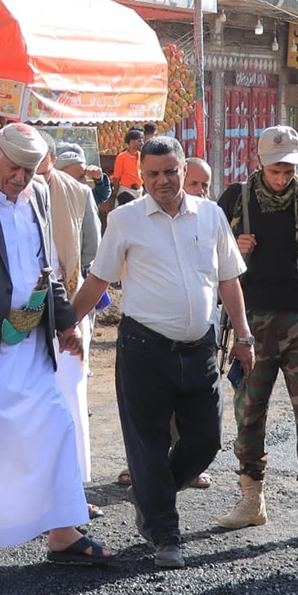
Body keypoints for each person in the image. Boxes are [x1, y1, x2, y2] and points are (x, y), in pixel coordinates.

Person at [73, 135, 254, 570]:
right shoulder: (124, 220)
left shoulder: (210, 215)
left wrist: (244, 336)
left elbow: (228, 278)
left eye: (170, 172)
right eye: (152, 173)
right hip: (144, 350)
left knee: (206, 440)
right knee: (149, 444)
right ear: (141, 174)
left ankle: (150, 494)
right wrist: (67, 325)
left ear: (184, 169)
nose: (162, 181)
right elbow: (99, 280)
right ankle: (165, 533)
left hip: (200, 349)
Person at [0, 125, 101, 569]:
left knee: (56, 427)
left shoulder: (40, 195)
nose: (21, 178)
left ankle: (63, 532)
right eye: (14, 168)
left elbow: (46, 269)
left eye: (30, 171)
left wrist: (65, 323)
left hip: (30, 343)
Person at [214, 126, 298, 535]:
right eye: (275, 170)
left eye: (288, 170)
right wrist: (237, 249)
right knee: (249, 411)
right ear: (259, 162)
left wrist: (297, 286)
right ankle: (251, 500)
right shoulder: (236, 199)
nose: (282, 178)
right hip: (250, 321)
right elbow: (214, 260)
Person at [43, 141, 102, 506]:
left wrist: (73, 315)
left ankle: (72, 491)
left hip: (71, 308)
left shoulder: (78, 195)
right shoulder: (5, 196)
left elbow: (93, 253)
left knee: (69, 395)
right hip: (18, 318)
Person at [111, 127, 144, 197]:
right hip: (126, 191)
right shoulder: (121, 157)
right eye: (139, 141)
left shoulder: (141, 156)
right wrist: (115, 193)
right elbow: (116, 178)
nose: (142, 143)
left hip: (139, 191)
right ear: (131, 142)